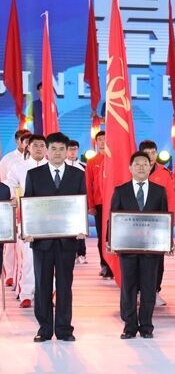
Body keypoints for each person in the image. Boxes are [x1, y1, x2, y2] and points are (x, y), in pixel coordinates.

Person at [25, 132, 87, 342]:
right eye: (53, 149)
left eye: (62, 149)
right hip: (41, 241)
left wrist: (80, 229)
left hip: (67, 241)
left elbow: (81, 204)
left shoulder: (77, 174)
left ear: (67, 151)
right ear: (46, 151)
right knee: (42, 285)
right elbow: (29, 204)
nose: (58, 153)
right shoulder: (34, 175)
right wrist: (28, 231)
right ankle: (44, 329)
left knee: (64, 286)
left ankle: (64, 329)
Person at [110, 151, 169, 339]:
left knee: (149, 288)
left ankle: (146, 326)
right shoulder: (121, 191)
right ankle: (129, 326)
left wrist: (166, 243)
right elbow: (113, 218)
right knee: (128, 288)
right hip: (127, 249)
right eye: (137, 164)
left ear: (151, 167)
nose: (141, 167)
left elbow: (164, 219)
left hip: (151, 250)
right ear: (130, 168)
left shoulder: (159, 191)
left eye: (145, 164)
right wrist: (111, 240)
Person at [5, 134, 48, 309]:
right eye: (35, 145)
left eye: (42, 145)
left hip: (50, 221)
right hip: (27, 219)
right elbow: (9, 186)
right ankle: (26, 293)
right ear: (28, 147)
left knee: (50, 259)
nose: (38, 148)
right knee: (29, 257)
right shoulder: (18, 167)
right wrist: (10, 198)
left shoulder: (53, 167)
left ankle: (48, 292)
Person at [139, 140, 175, 305]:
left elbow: (171, 200)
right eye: (147, 153)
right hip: (137, 225)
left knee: (157, 261)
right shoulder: (134, 170)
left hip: (159, 225)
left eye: (153, 152)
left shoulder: (165, 173)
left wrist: (170, 223)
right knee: (137, 260)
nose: (151, 156)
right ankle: (138, 291)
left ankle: (155, 291)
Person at [0, 129, 31, 287]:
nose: (26, 144)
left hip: (29, 207)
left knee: (23, 245)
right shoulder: (8, 159)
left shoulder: (36, 160)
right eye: (23, 140)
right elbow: (4, 183)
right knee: (9, 243)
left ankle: (22, 278)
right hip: (11, 204)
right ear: (17, 141)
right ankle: (9, 274)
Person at [85, 130, 112, 278]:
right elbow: (88, 185)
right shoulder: (92, 162)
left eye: (105, 139)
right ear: (96, 142)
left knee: (113, 235)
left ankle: (115, 266)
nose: (102, 142)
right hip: (100, 204)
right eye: (100, 139)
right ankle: (105, 264)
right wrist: (91, 205)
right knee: (102, 236)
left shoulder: (115, 159)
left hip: (114, 204)